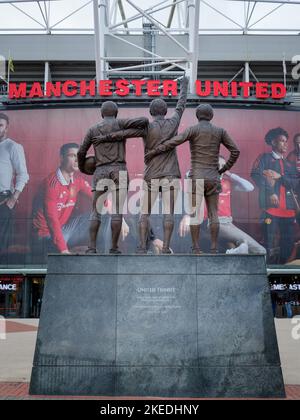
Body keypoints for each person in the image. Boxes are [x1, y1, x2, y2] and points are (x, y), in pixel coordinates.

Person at [93, 77, 189, 254]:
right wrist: (184, 85)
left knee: (144, 212)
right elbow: (181, 104)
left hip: (152, 174)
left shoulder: (146, 128)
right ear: (165, 111)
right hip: (170, 175)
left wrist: (105, 137)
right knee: (169, 213)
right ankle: (166, 247)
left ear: (151, 112)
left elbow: (124, 133)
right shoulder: (173, 122)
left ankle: (141, 248)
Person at [145, 104, 240, 254]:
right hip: (213, 177)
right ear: (211, 116)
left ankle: (196, 248)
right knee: (213, 214)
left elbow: (174, 142)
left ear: (197, 116)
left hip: (197, 177)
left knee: (195, 213)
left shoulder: (193, 130)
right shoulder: (220, 131)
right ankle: (214, 248)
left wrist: (155, 151)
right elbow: (236, 151)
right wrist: (223, 168)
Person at [77, 102, 148, 254]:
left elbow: (81, 152)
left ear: (102, 114)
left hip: (100, 171)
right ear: (115, 113)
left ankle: (91, 248)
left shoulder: (93, 129)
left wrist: (84, 168)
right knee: (117, 212)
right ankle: (114, 248)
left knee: (95, 212)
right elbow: (144, 121)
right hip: (119, 169)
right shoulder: (120, 123)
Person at [179, 158, 266, 255]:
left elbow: (250, 187)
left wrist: (230, 174)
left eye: (223, 165)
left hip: (227, 222)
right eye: (217, 164)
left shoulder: (227, 183)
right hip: (214, 222)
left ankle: (233, 252)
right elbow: (188, 176)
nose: (221, 167)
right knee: (260, 251)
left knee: (241, 249)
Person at [32, 143, 92, 257]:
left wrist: (120, 219)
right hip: (46, 235)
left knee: (102, 216)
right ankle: (62, 250)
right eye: (72, 155)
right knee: (59, 238)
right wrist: (63, 249)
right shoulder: (52, 184)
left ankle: (103, 255)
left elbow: (99, 197)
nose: (77, 160)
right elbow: (52, 219)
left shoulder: (77, 181)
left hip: (62, 230)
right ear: (61, 158)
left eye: (79, 156)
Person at [251, 127, 298, 264]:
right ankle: (268, 270)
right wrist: (270, 192)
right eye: (281, 141)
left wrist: (280, 177)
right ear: (273, 142)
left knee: (288, 246)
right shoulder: (264, 158)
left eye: (286, 141)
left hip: (289, 212)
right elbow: (255, 175)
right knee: (269, 243)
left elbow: (295, 183)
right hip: (270, 210)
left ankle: (282, 271)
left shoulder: (289, 163)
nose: (285, 144)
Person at [0, 113, 29, 259]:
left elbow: (23, 174)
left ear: (6, 128)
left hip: (3, 199)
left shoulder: (13, 146)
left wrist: (13, 198)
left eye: (0, 125)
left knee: (1, 245)